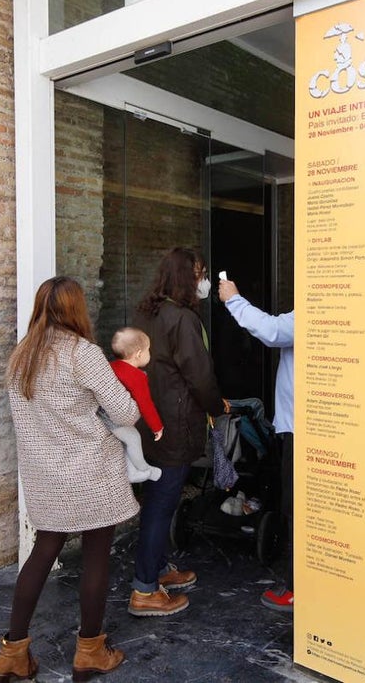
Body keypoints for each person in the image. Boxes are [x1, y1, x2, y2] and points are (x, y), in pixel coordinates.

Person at [0, 276, 140, 682]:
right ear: (76, 309)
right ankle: (90, 651)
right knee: (96, 556)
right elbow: (126, 413)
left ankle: (11, 654)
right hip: (90, 472)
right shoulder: (83, 354)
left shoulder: (21, 355)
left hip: (45, 476)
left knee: (43, 552)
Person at [129, 247, 228, 617]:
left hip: (147, 423)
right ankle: (144, 590)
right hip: (175, 424)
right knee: (161, 503)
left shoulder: (146, 313)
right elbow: (199, 376)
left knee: (155, 499)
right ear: (186, 278)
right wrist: (218, 406)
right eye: (200, 273)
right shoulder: (183, 320)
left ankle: (155, 569)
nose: (204, 281)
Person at [218, 276, 295, 613]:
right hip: (315, 424)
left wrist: (234, 300)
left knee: (299, 511)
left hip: (300, 430)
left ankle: (298, 591)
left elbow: (273, 331)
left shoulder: (322, 308)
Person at [106, 327, 163, 483]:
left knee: (125, 444)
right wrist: (157, 427)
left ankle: (132, 471)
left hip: (101, 416)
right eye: (148, 350)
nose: (149, 353)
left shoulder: (110, 367)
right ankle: (143, 469)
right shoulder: (136, 376)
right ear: (139, 354)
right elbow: (146, 404)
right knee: (133, 438)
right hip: (114, 421)